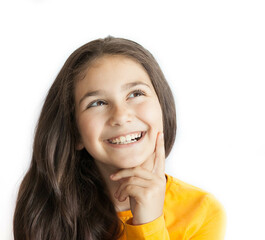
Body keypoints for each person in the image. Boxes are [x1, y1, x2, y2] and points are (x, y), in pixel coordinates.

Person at [13, 36, 226, 239]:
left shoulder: (202, 211)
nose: (121, 116)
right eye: (97, 103)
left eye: (135, 94)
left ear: (162, 107)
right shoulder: (46, 207)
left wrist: (148, 223)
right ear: (75, 131)